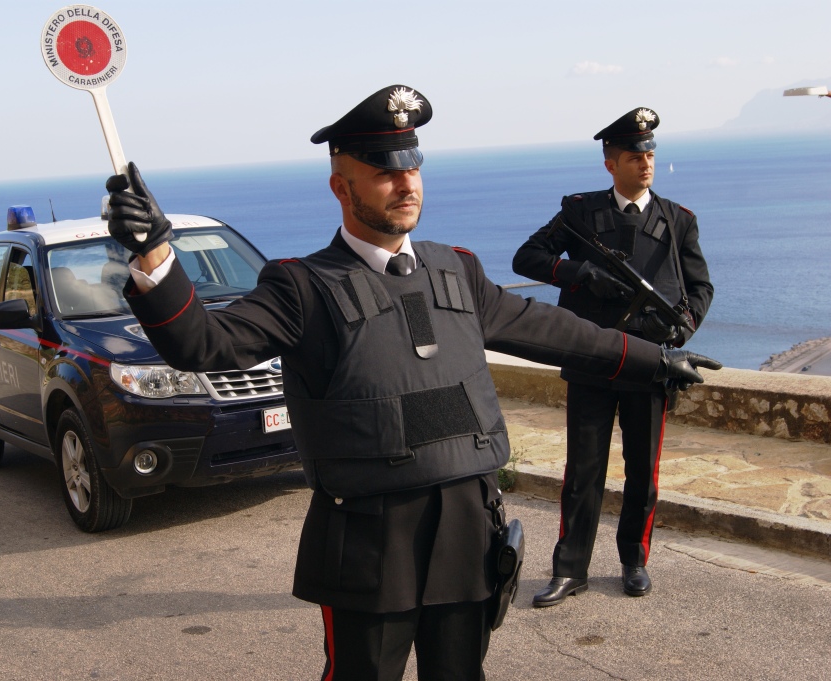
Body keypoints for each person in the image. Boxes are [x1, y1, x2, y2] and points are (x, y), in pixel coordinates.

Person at [106, 87, 720, 680]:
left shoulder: (456, 269)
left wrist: (655, 360)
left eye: (413, 168)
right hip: (370, 534)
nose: (406, 185)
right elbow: (202, 344)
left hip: (466, 526)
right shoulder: (301, 288)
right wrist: (156, 258)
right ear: (341, 188)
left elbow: (555, 330)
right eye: (384, 173)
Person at [512, 108, 715, 607]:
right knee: (584, 470)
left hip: (650, 360)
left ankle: (634, 561)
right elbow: (528, 258)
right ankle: (569, 570)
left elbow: (700, 286)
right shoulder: (580, 213)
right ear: (611, 164)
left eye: (649, 154)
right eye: (634, 155)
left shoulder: (677, 219)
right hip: (591, 356)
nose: (645, 163)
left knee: (642, 471)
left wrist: (684, 329)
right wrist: (579, 273)